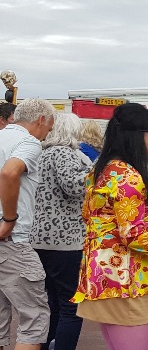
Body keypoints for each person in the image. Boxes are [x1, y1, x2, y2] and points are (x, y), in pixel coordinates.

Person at [72, 103, 148, 350]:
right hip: (125, 279)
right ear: (136, 135)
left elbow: (89, 216)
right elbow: (135, 236)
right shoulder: (128, 176)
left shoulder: (104, 169)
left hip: (102, 273)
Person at [31, 113, 91, 350]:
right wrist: (98, 171)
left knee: (53, 303)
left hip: (41, 238)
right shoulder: (63, 153)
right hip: (66, 239)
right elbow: (74, 186)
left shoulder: (41, 153)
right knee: (71, 306)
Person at [0, 99, 55, 350]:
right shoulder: (28, 142)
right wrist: (9, 219)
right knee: (34, 317)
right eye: (49, 127)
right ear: (41, 120)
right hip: (12, 240)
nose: (48, 134)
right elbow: (10, 172)